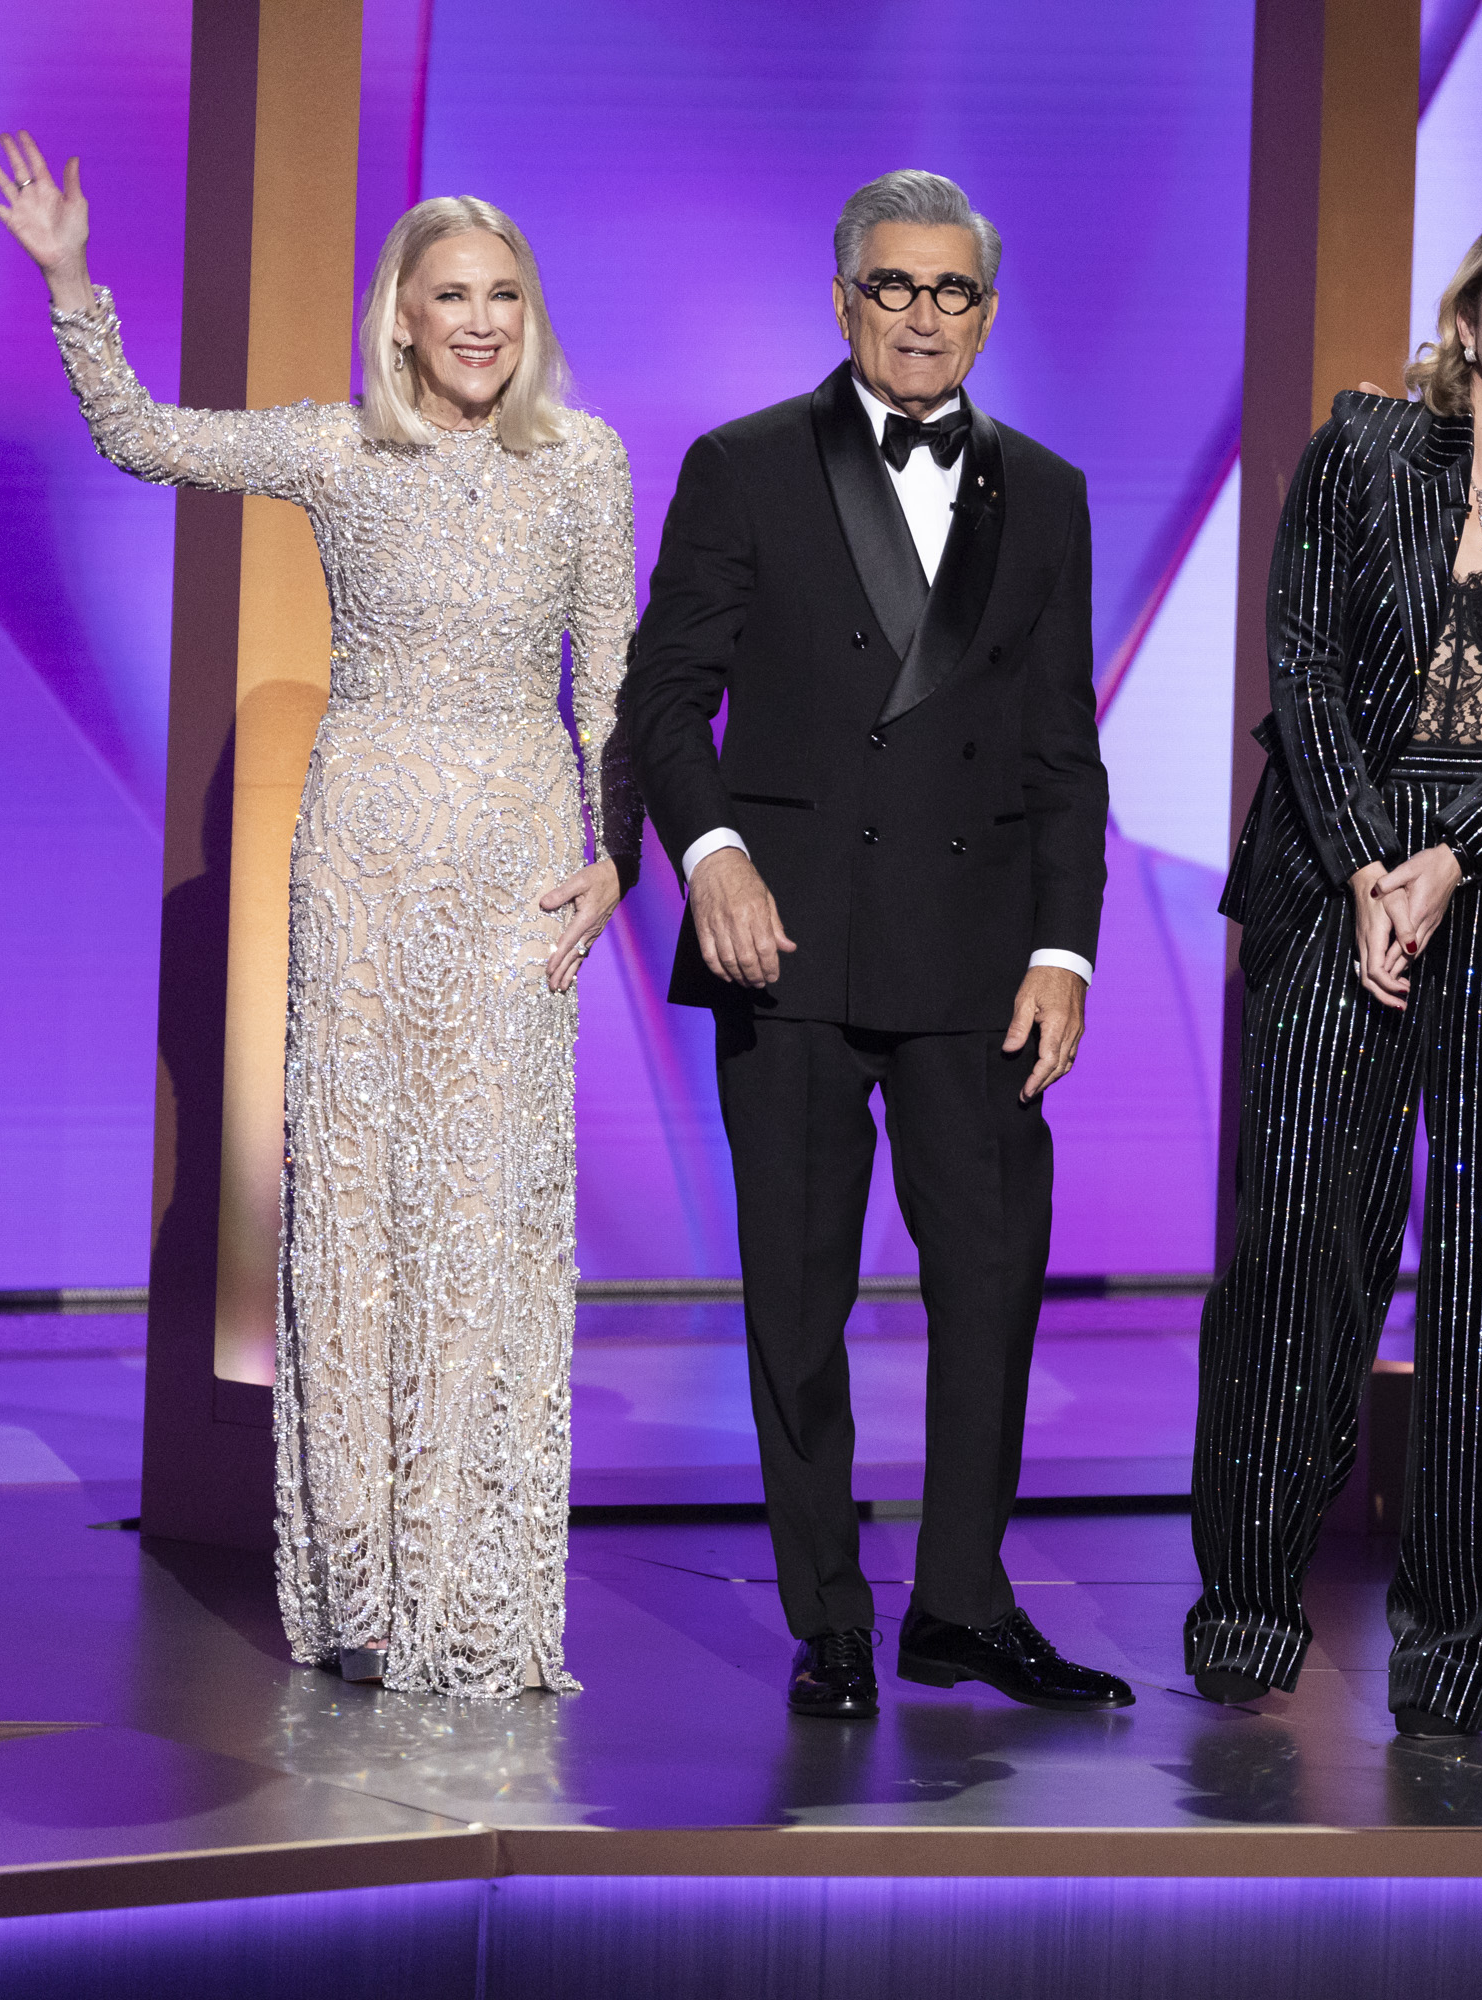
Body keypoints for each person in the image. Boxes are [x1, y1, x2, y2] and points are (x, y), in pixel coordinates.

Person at [0, 137, 638, 1698]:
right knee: (354, 1211)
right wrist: (73, 282)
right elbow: (141, 437)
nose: (479, 321)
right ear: (399, 316)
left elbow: (609, 680)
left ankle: (471, 1593)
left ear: (526, 313)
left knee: (481, 1217)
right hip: (359, 857)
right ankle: (354, 1584)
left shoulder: (590, 460)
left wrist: (616, 855)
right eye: (449, 296)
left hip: (518, 859)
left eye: (502, 295)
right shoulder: (338, 450)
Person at [622, 170, 1124, 1721]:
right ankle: (829, 1610)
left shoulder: (1044, 490)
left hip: (980, 956)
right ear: (843, 300)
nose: (923, 316)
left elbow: (1061, 749)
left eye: (952, 292)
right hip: (794, 942)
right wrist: (711, 858)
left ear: (988, 310)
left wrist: (1068, 950)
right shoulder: (748, 465)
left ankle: (963, 1604)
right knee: (797, 1289)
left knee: (994, 1280)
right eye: (894, 288)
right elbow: (662, 701)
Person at [1184, 206, 1482, 1739]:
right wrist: (1376, 864)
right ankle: (1248, 1606)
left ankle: (1456, 1647)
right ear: (1466, 317)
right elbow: (1302, 664)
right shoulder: (1362, 449)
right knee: (1299, 1252)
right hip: (1345, 868)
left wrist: (1453, 861)